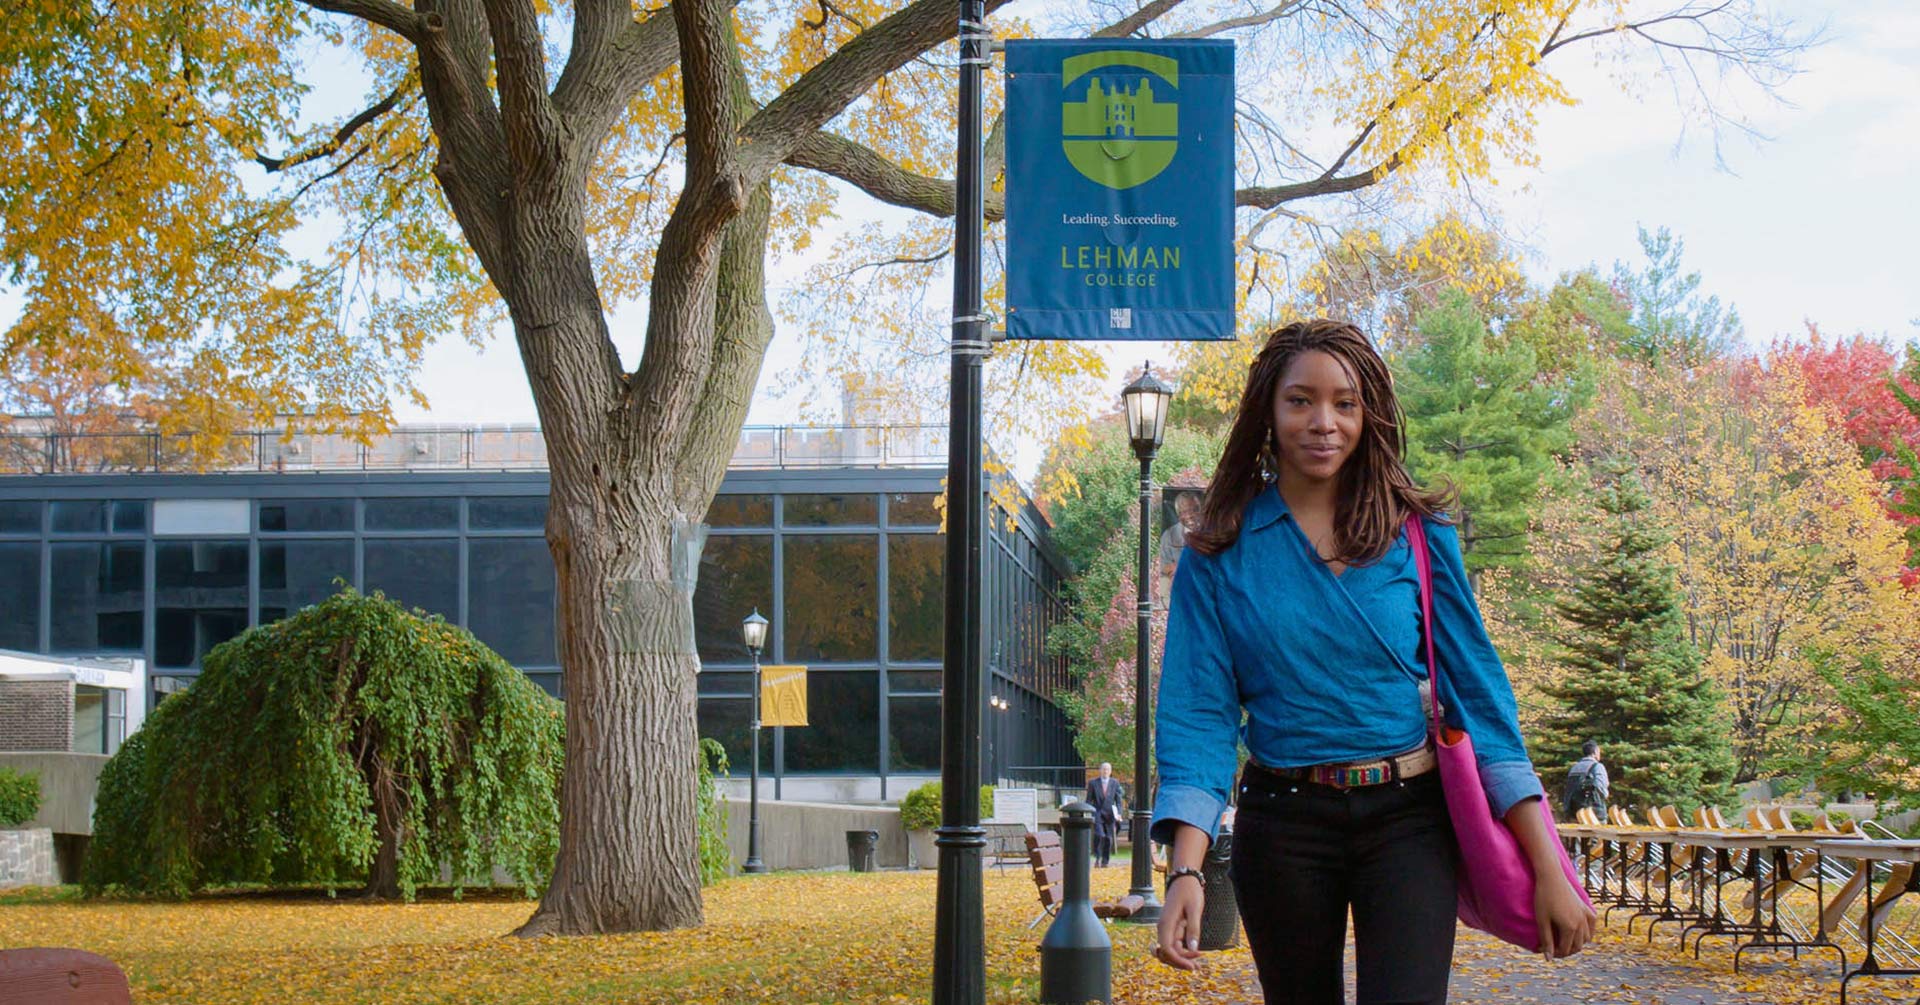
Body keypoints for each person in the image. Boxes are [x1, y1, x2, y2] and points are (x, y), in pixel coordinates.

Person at [1147, 320, 1595, 1004]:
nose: (1323, 422)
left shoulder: (1418, 534)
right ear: (1268, 409)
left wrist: (1549, 864)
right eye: (1300, 400)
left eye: (1345, 403)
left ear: (1370, 413)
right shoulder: (1219, 553)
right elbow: (1198, 715)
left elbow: (1482, 701)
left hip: (1409, 820)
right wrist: (1185, 871)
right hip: (1283, 820)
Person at [1157, 491, 1201, 601]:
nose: (1190, 515)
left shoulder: (1213, 532)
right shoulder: (1168, 536)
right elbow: (1163, 568)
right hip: (1180, 594)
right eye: (1184, 512)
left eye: (1194, 510)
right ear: (1178, 515)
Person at [1084, 762, 1126, 868]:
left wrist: (1119, 813)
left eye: (1107, 769)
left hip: (1110, 814)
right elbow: (1088, 800)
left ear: (1110, 771)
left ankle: (1105, 861)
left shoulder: (1115, 783)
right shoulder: (1093, 783)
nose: (1105, 771)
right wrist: (1088, 812)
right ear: (1100, 770)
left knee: (1108, 838)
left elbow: (1118, 801)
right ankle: (1097, 858)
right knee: (1099, 835)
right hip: (1097, 812)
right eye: (1103, 769)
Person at [1561, 741, 1610, 819]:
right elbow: (1600, 786)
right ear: (1595, 752)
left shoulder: (1574, 767)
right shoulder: (1597, 766)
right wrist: (1605, 795)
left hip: (1574, 811)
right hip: (1593, 811)